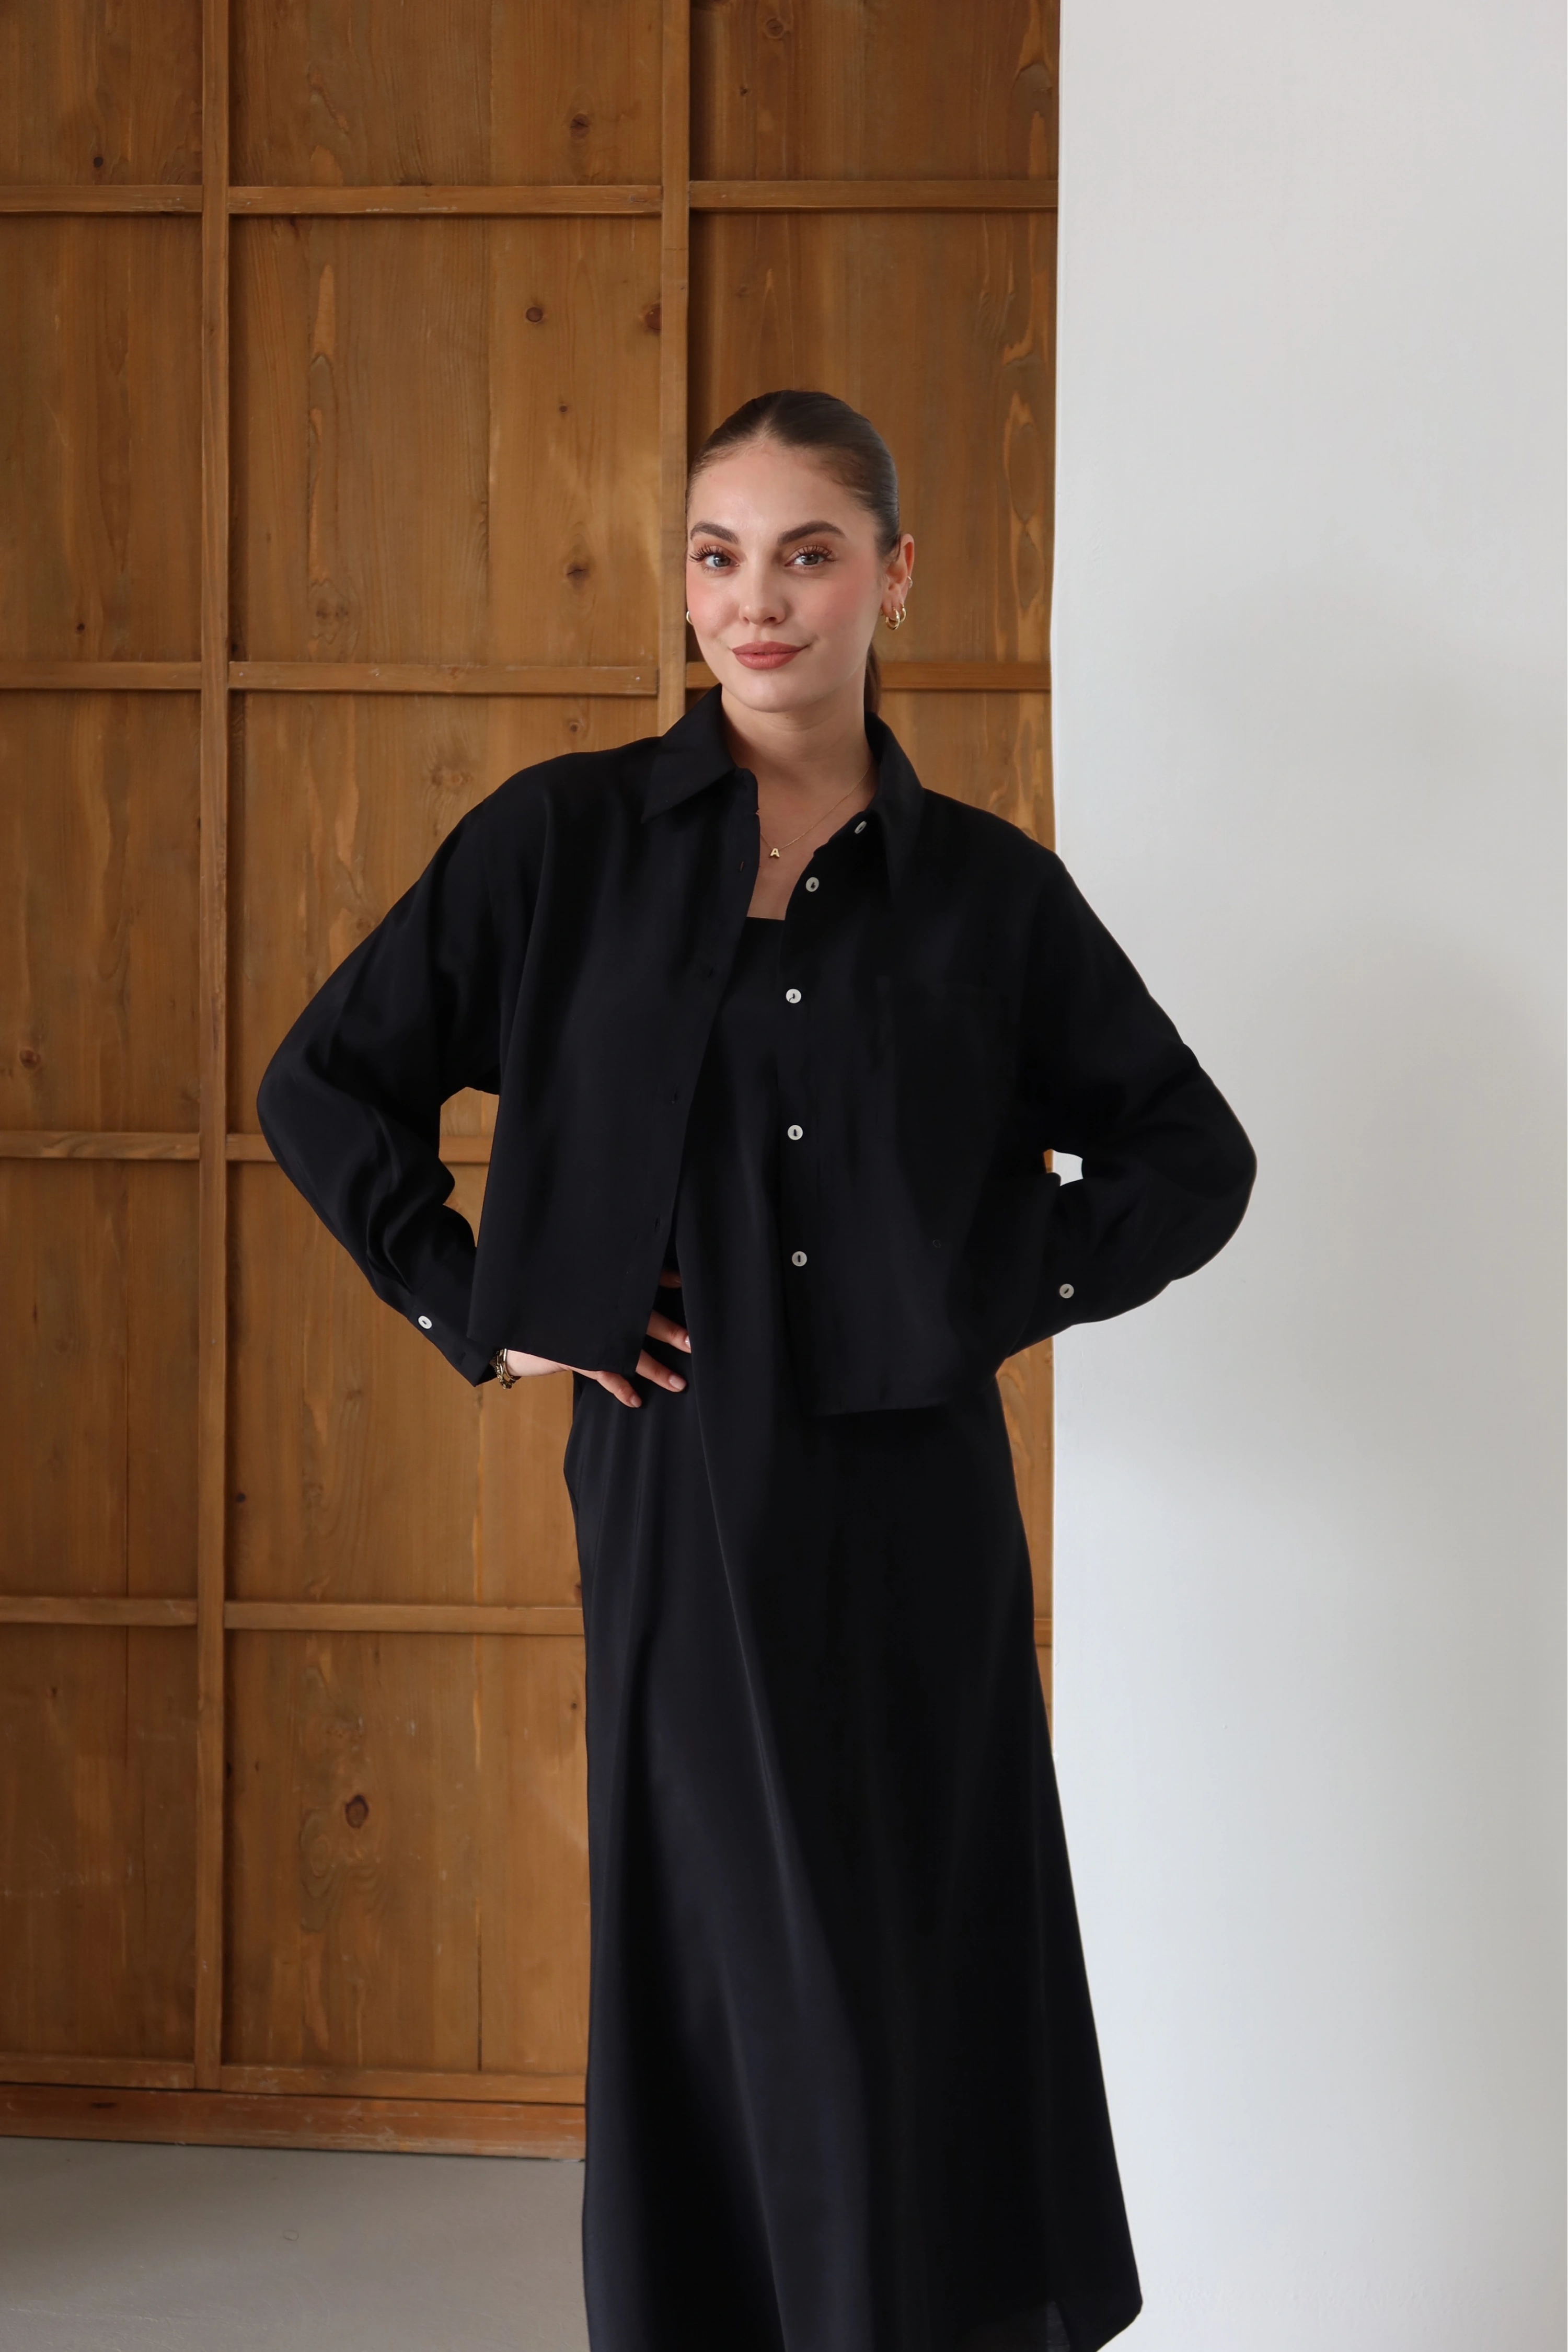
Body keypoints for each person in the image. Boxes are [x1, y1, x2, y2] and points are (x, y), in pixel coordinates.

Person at [258, 388, 1255, 2352]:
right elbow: (324, 1084)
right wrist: (485, 1297)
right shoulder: (563, 844)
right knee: (725, 1938)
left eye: (809, 552)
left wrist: (979, 1279)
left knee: (909, 1935)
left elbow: (1189, 1156)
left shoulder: (987, 894)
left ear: (895, 574)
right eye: (720, 555)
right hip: (678, 1483)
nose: (759, 600)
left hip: (916, 1503)